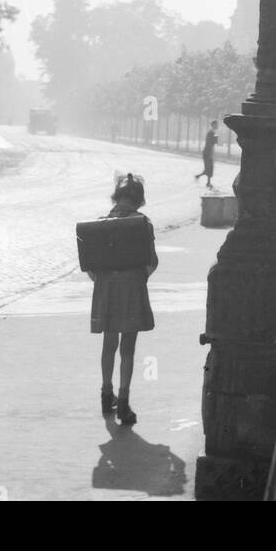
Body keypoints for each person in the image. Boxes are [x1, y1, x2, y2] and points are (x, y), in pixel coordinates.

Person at [88, 173, 158, 425]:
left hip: (106, 289)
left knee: (109, 344)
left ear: (116, 198)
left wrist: (104, 281)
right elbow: (151, 261)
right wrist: (139, 279)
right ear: (138, 200)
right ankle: (124, 402)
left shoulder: (98, 224)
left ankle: (107, 395)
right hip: (131, 288)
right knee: (128, 348)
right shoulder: (142, 223)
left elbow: (90, 267)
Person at [195, 120, 219, 188]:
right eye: (216, 124)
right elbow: (210, 143)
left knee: (209, 168)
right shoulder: (210, 133)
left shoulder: (213, 132)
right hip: (207, 152)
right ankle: (207, 182)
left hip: (209, 152)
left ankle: (201, 178)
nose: (217, 126)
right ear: (213, 125)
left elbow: (215, 142)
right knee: (208, 168)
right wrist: (210, 154)